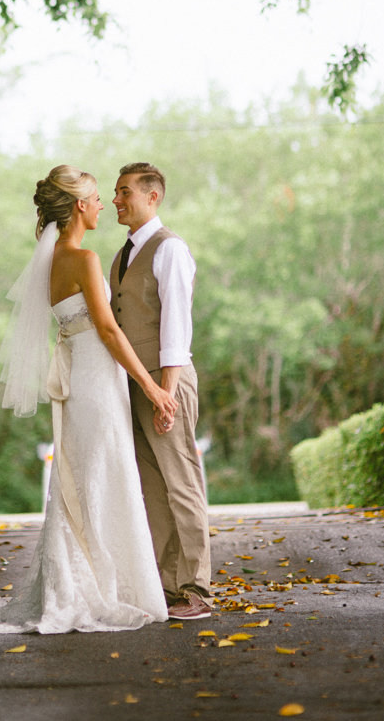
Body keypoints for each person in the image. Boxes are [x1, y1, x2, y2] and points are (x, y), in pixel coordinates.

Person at [0, 165, 178, 634]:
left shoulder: (52, 258)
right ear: (79, 205)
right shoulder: (83, 257)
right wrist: (152, 386)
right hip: (97, 383)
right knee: (103, 475)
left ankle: (81, 582)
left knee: (82, 477)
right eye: (98, 198)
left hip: (81, 380)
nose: (104, 205)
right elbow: (108, 330)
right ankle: (100, 589)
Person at [111, 162, 213, 621]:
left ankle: (197, 590)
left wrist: (165, 392)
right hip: (137, 382)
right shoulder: (124, 252)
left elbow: (176, 324)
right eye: (114, 192)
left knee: (183, 483)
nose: (116, 199)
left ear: (152, 196)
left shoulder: (169, 248)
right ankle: (168, 587)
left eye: (124, 191)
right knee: (153, 488)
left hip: (165, 379)